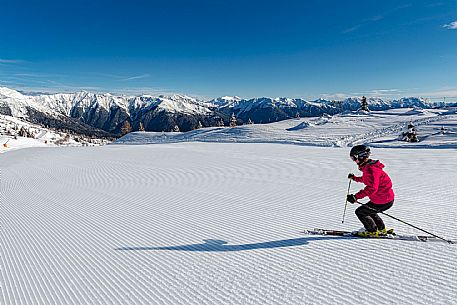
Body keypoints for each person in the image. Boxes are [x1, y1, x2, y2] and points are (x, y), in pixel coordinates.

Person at [347, 145, 395, 237]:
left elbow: (372, 188)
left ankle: (372, 231)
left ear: (360, 156)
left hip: (382, 200)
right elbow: (367, 179)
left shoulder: (371, 169)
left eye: (354, 158)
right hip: (384, 198)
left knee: (360, 212)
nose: (354, 161)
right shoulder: (369, 167)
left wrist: (356, 197)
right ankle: (381, 229)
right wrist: (355, 178)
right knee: (368, 210)